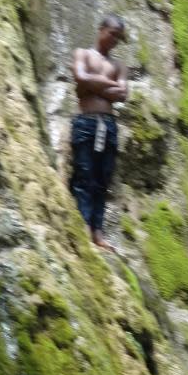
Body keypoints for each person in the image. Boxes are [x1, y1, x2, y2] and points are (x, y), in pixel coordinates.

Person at [69, 14, 129, 250]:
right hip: (86, 122)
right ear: (102, 29)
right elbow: (79, 76)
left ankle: (98, 232)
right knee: (84, 174)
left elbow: (123, 94)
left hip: (109, 124)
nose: (115, 40)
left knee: (102, 179)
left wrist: (91, 85)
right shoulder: (82, 54)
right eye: (113, 34)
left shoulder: (119, 66)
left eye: (119, 38)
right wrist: (107, 85)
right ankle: (83, 225)